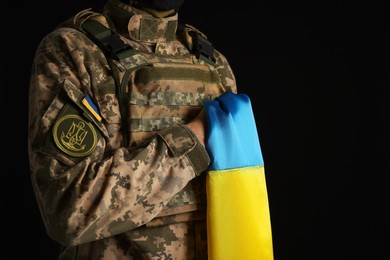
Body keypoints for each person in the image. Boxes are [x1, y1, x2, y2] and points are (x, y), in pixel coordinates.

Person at [28, 0, 239, 258]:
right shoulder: (76, 50)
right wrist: (190, 143)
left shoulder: (214, 64)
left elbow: (237, 201)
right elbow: (68, 211)